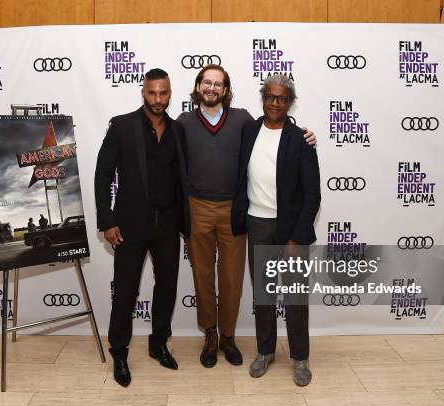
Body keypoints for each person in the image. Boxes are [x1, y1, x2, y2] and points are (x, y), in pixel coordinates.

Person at [176, 64, 316, 368]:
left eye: (218, 84)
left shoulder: (242, 120)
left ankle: (229, 337)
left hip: (235, 212)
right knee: (203, 277)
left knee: (232, 280)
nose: (212, 88)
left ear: (226, 91)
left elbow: (279, 128)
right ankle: (211, 335)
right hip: (202, 208)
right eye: (206, 83)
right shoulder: (184, 122)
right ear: (198, 86)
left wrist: (307, 135)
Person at [94, 68, 189, 387]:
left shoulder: (177, 130)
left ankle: (158, 342)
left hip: (168, 224)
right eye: (152, 93)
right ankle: (119, 352)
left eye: (163, 93)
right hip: (130, 225)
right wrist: (107, 220)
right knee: (125, 291)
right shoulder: (123, 125)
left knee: (167, 287)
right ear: (143, 92)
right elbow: (103, 174)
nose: (158, 99)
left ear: (170, 93)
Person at [232, 74, 321, 386]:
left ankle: (300, 358)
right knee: (264, 296)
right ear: (263, 98)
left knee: (295, 298)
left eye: (281, 98)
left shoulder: (300, 139)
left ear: (289, 102)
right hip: (256, 225)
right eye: (270, 96)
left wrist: (297, 237)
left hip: (290, 230)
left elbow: (313, 194)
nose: (274, 102)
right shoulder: (249, 130)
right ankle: (265, 351)